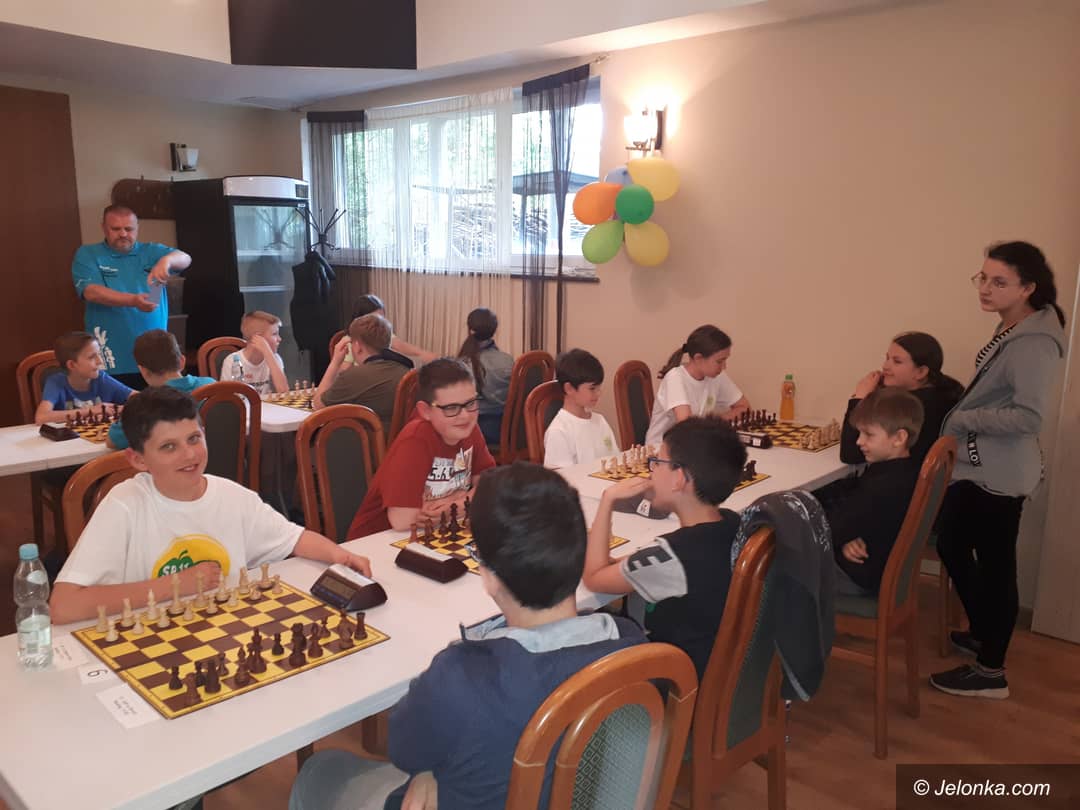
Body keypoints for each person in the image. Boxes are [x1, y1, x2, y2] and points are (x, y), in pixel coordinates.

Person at [291, 463, 645, 810]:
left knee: (321, 770)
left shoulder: (459, 678)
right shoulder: (634, 646)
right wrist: (431, 770)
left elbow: (404, 750)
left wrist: (428, 769)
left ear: (488, 576)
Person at [49, 387, 372, 625]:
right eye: (169, 447)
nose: (189, 455)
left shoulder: (233, 497)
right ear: (138, 460)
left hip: (225, 634)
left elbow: (294, 538)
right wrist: (173, 586)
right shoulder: (124, 504)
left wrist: (339, 555)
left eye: (194, 438)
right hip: (151, 643)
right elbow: (63, 606)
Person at [931, 241, 1066, 700]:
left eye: (999, 282)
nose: (985, 288)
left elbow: (1029, 417)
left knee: (995, 566)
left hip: (1000, 473)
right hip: (982, 466)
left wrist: (964, 419)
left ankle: (991, 672)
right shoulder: (1015, 325)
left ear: (1027, 288)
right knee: (952, 543)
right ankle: (986, 632)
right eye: (983, 278)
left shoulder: (1035, 342)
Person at [582, 416, 747, 679]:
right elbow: (639, 562)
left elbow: (593, 578)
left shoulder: (672, 556)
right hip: (722, 668)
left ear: (678, 478)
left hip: (676, 681)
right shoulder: (733, 523)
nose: (651, 472)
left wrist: (608, 499)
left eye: (657, 463)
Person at [347, 358, 496, 538]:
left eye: (471, 403)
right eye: (451, 408)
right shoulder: (415, 439)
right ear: (425, 411)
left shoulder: (468, 428)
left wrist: (456, 504)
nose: (465, 415)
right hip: (376, 540)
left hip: (433, 532)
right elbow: (402, 520)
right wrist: (466, 500)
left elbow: (490, 486)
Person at [813, 387, 924, 596]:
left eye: (869, 435)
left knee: (777, 553)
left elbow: (828, 531)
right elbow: (849, 516)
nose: (859, 441)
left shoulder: (881, 487)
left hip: (858, 577)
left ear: (899, 438)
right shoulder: (906, 470)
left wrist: (840, 538)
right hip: (879, 568)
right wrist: (845, 535)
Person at [71, 205, 192, 390]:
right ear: (104, 228)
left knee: (161, 405)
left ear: (137, 228)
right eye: (116, 229)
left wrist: (166, 261)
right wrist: (133, 301)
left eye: (128, 229)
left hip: (156, 357)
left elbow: (185, 258)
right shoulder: (88, 254)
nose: (123, 234)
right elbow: (91, 291)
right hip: (111, 356)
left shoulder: (151, 251)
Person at [840, 332, 964, 465]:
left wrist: (859, 398)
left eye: (897, 361)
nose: (885, 366)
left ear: (921, 372)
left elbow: (851, 454)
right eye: (887, 358)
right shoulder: (943, 392)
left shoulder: (912, 407)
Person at [106, 330, 216, 449]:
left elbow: (112, 441)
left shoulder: (144, 404)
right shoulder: (211, 385)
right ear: (182, 361)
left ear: (143, 370)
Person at [645, 325, 750, 447]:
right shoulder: (675, 377)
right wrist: (710, 424)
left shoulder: (716, 376)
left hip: (695, 444)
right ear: (698, 358)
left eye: (725, 360)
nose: (724, 367)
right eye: (719, 361)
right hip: (662, 449)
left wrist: (712, 423)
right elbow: (687, 426)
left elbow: (744, 407)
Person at [313, 314, 409, 435]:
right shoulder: (406, 371)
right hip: (401, 441)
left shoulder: (353, 376)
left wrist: (335, 363)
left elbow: (318, 406)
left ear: (357, 346)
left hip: (368, 444)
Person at [35, 331, 133, 424]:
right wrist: (91, 410)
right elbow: (41, 417)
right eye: (92, 357)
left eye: (99, 354)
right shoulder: (56, 382)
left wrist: (120, 409)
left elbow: (139, 399)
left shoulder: (102, 379)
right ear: (72, 365)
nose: (100, 361)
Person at [543, 348, 618, 469]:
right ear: (569, 388)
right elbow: (562, 477)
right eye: (592, 388)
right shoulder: (559, 431)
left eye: (599, 387)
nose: (599, 393)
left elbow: (615, 459)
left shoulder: (600, 421)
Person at [457, 307, 513, 446]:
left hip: (479, 430)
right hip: (509, 431)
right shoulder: (508, 360)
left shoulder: (463, 364)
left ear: (470, 330)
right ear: (494, 330)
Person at [337, 293, 435, 367]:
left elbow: (400, 345)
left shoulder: (381, 333)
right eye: (374, 320)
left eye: (382, 320)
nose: (379, 325)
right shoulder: (350, 341)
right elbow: (343, 370)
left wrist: (421, 353)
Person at [222, 311, 288, 395]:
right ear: (258, 338)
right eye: (274, 334)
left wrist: (267, 352)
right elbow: (225, 396)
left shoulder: (274, 358)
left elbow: (284, 391)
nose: (279, 339)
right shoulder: (231, 361)